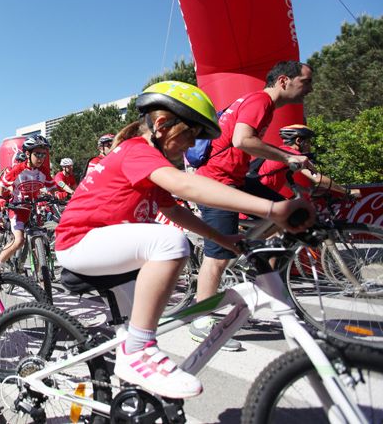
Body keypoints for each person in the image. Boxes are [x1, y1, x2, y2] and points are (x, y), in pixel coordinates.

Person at [54, 81, 314, 400]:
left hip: (107, 248)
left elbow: (173, 207)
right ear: (162, 124)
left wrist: (223, 238)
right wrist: (274, 208)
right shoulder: (136, 150)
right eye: (190, 134)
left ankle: (130, 396)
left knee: (137, 328)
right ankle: (137, 352)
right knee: (170, 244)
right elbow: (186, 187)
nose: (192, 145)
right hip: (80, 244)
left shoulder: (149, 157)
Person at [192, 60, 314, 350]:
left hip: (234, 178)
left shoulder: (260, 103)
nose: (309, 88)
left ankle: (251, 258)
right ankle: (200, 318)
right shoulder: (259, 100)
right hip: (217, 182)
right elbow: (242, 140)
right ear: (284, 80)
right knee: (217, 258)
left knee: (289, 211)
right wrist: (287, 157)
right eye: (306, 82)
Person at [0, 135, 59, 271]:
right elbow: (1, 186)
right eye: (37, 154)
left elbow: (52, 188)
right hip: (17, 209)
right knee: (19, 240)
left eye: (43, 155)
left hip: (33, 209)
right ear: (28, 154)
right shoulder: (17, 170)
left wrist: (56, 195)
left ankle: (41, 271)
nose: (41, 158)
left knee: (42, 235)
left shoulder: (43, 171)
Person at [254, 124, 360, 199]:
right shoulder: (293, 155)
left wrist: (309, 191)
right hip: (259, 202)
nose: (310, 145)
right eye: (308, 141)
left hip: (260, 198)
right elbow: (318, 178)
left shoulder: (282, 153)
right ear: (298, 141)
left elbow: (283, 181)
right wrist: (347, 191)